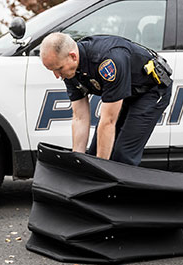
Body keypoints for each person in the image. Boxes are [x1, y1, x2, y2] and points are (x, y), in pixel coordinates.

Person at [40, 33, 172, 166]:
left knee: (122, 155)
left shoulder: (108, 60)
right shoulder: (69, 70)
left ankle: (120, 186)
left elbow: (108, 121)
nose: (57, 76)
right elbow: (80, 118)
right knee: (94, 153)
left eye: (58, 69)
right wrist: (78, 162)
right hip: (126, 92)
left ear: (73, 56)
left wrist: (100, 169)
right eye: (52, 71)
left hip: (151, 90)